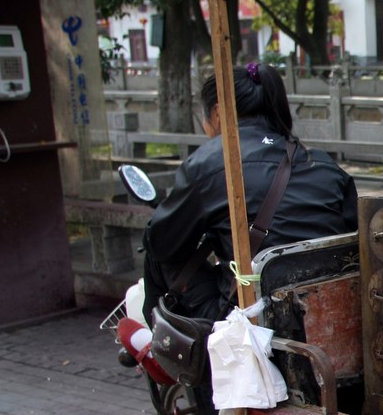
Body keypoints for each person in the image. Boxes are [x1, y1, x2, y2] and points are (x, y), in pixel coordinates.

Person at [141, 61, 358, 323]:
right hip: (326, 312)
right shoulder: (324, 164)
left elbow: (165, 245)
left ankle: (160, 341)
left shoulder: (209, 163)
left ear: (218, 112)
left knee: (155, 244)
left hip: (252, 315)